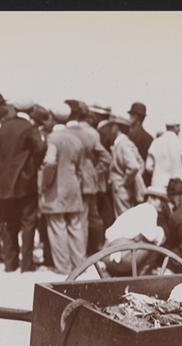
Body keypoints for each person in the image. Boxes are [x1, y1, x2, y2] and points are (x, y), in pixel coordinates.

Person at [0, 91, 46, 272]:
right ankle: (26, 264)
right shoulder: (29, 128)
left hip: (4, 184)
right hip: (25, 183)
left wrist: (0, 165)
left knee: (9, 223)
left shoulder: (4, 127)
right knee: (28, 223)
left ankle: (10, 263)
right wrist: (32, 167)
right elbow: (40, 148)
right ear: (31, 110)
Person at [38, 105, 86, 275]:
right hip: (73, 185)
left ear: (52, 117)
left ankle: (63, 267)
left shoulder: (53, 138)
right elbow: (80, 167)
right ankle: (80, 265)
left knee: (57, 226)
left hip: (56, 187)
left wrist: (45, 183)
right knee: (75, 225)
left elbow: (50, 162)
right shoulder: (76, 139)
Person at [66, 99, 112, 255]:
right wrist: (94, 172)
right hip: (88, 183)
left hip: (71, 182)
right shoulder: (91, 133)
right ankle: (92, 250)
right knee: (88, 218)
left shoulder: (65, 131)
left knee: (78, 220)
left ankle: (79, 253)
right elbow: (106, 158)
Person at [102, 187, 173, 276]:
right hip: (122, 255)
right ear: (151, 199)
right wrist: (162, 233)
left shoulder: (135, 210)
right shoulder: (149, 209)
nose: (163, 205)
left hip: (107, 254)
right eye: (161, 201)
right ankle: (142, 275)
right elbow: (151, 235)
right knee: (154, 245)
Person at [101, 116, 146, 217]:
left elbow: (134, 166)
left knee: (123, 219)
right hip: (126, 189)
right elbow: (141, 163)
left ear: (116, 127)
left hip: (121, 188)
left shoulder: (122, 144)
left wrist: (124, 183)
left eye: (111, 126)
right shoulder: (128, 143)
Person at [146, 120, 182, 193]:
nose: (180, 129)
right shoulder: (181, 144)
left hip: (158, 185)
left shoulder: (156, 142)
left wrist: (158, 172)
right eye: (179, 126)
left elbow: (149, 167)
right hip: (176, 188)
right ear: (175, 127)